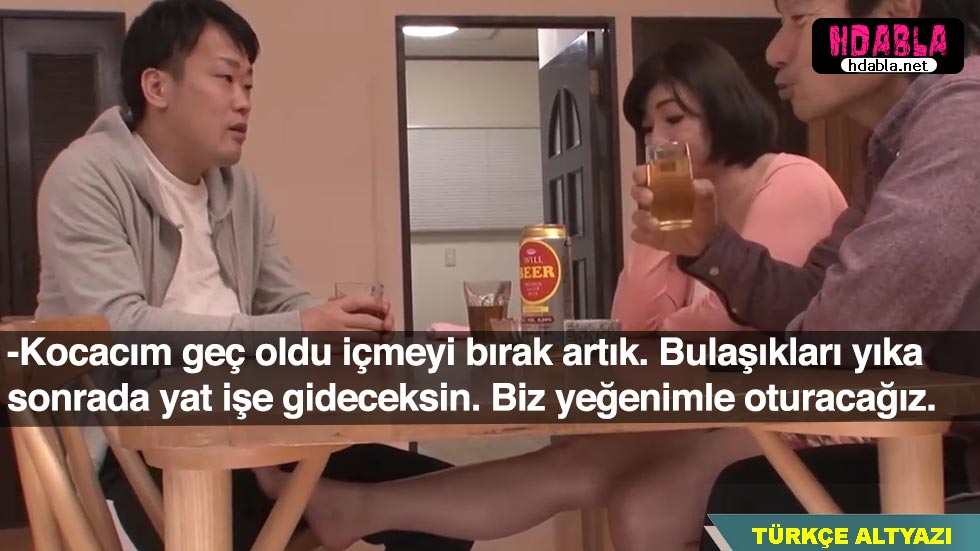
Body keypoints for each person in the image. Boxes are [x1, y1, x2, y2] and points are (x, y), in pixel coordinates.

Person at [254, 39, 848, 551]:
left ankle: (358, 510)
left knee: (642, 507)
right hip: (713, 414)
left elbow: (734, 330)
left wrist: (679, 275)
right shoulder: (683, 204)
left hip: (803, 419)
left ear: (724, 108)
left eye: (674, 119)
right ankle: (359, 510)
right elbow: (631, 327)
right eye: (647, 129)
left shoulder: (789, 182)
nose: (657, 141)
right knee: (573, 460)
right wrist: (656, 245)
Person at [33, 1, 472, 550]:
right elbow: (119, 330)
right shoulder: (87, 176)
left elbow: (284, 301)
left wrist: (340, 328)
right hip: (139, 452)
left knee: (441, 506)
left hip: (251, 430)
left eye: (249, 86)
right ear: (156, 86)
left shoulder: (240, 190)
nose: (243, 101)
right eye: (225, 79)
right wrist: (297, 329)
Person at [620, 1, 980, 547]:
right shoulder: (899, 142)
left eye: (800, 19)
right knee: (744, 497)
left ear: (894, 15)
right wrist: (708, 246)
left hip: (962, 480)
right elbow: (815, 296)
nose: (774, 52)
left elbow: (853, 334)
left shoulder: (964, 114)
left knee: (744, 513)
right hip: (954, 453)